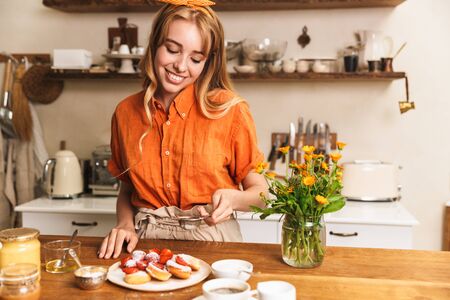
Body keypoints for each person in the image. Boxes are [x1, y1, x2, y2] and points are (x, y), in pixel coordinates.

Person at [98, 0, 267, 259]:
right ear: (155, 44)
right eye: (172, 49)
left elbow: (262, 194)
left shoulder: (230, 110)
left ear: (207, 62)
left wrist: (234, 199)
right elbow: (128, 190)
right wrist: (124, 224)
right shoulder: (125, 113)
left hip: (213, 240)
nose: (181, 66)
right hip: (147, 244)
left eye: (195, 58)